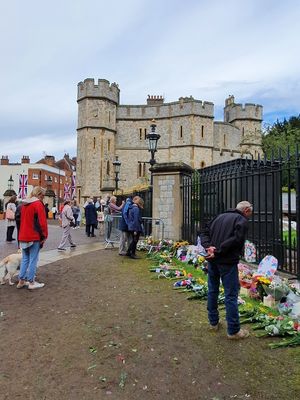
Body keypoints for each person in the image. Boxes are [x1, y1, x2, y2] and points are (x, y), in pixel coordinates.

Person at [200, 201, 253, 340]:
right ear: (246, 210)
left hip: (213, 260)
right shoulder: (241, 220)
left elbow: (203, 232)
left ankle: (213, 323)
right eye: (250, 213)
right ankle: (234, 330)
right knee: (231, 295)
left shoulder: (219, 216)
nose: (250, 216)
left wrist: (209, 247)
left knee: (213, 290)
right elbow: (237, 240)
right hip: (227, 261)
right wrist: (217, 250)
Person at [17, 187, 48, 290]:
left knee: (25, 258)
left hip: (23, 235)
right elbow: (42, 223)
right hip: (33, 235)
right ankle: (31, 282)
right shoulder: (38, 204)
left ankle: (21, 280)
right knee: (33, 259)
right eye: (43, 195)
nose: (43, 198)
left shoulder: (24, 204)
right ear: (39, 194)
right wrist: (44, 236)